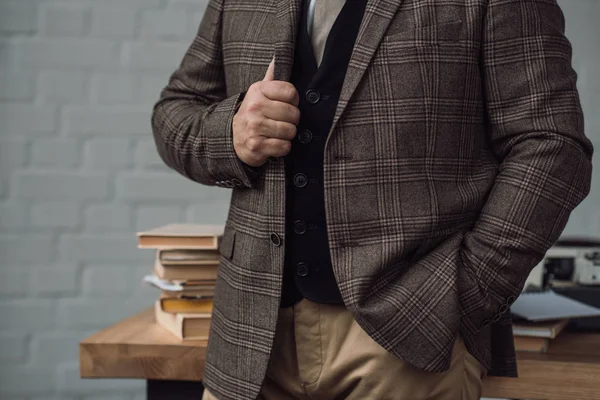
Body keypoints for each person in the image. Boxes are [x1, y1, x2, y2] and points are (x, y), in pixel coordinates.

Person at [151, 0, 594, 398]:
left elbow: (552, 145)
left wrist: (468, 291)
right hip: (248, 343)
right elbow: (175, 111)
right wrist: (229, 134)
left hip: (407, 341)